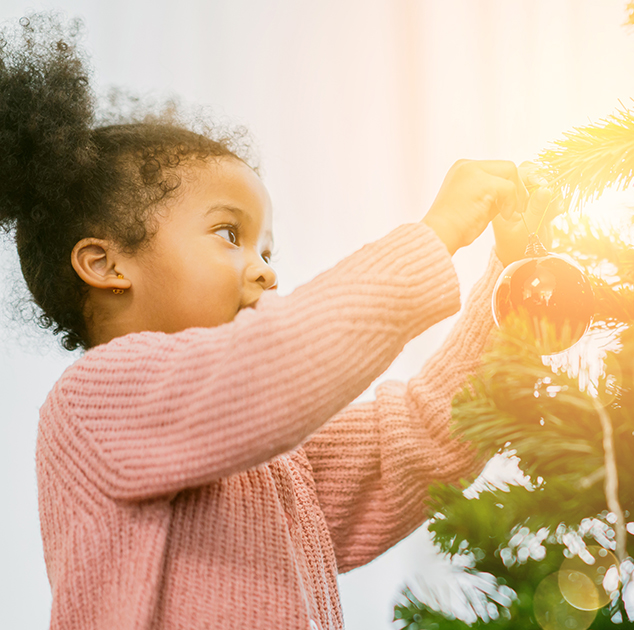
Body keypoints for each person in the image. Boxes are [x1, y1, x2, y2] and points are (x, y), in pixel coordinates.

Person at [0, 13, 545, 629]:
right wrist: (437, 234)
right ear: (106, 263)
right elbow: (276, 360)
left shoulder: (272, 453)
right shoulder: (94, 404)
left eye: (266, 250)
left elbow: (417, 442)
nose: (266, 273)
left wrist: (518, 285)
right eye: (229, 234)